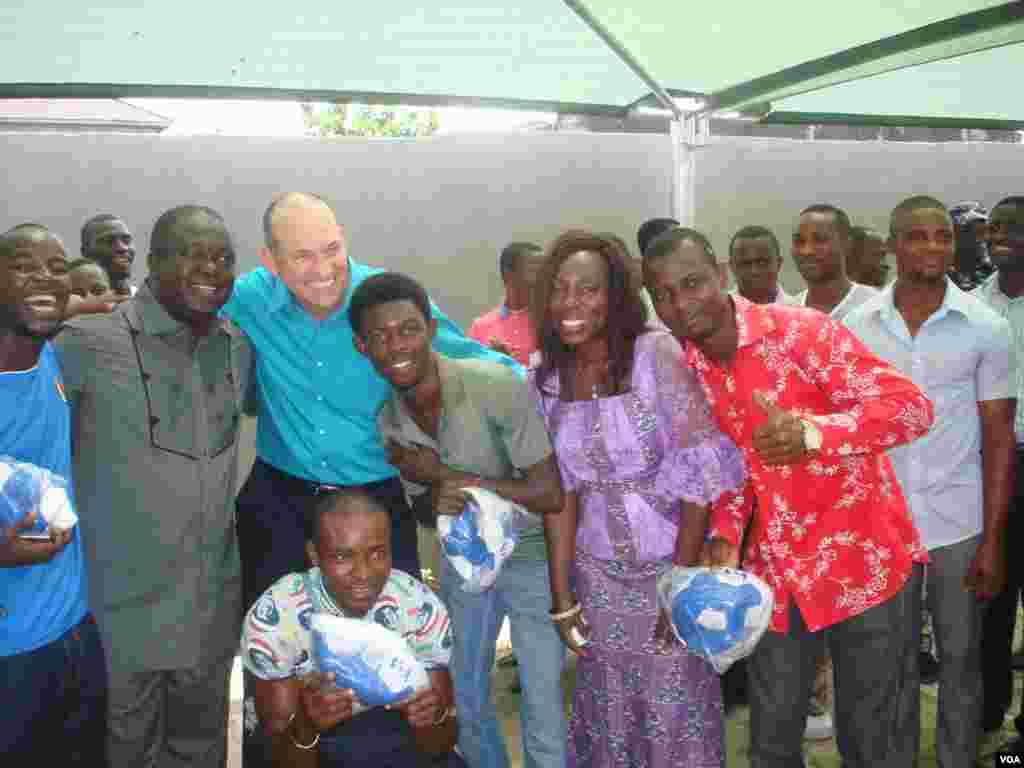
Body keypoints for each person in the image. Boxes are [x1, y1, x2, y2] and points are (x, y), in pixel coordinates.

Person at [224, 192, 517, 765]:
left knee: (396, 655)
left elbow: (467, 356)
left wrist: (542, 380)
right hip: (282, 502)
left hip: (373, 505)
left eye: (332, 248)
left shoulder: (380, 299)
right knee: (277, 658)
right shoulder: (248, 299)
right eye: (303, 256)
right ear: (269, 259)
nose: (324, 268)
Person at [643, 226, 933, 768]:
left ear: (721, 278)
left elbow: (911, 408)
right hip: (774, 576)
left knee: (871, 739)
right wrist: (726, 537)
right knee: (772, 742)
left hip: (862, 562)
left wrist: (815, 433)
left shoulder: (801, 332)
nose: (681, 303)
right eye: (663, 294)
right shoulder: (689, 371)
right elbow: (734, 471)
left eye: (692, 283)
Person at [529, 230, 747, 767]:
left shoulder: (653, 354)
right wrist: (563, 599)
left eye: (589, 290)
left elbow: (700, 478)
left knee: (677, 710)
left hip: (667, 566)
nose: (572, 304)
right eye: (560, 289)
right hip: (596, 575)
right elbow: (561, 496)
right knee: (609, 711)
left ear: (617, 295)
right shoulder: (546, 377)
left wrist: (679, 587)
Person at [55, 206, 252, 767]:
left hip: (208, 606)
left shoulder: (237, 347)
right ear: (153, 261)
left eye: (222, 257)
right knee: (121, 752)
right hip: (118, 612)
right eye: (193, 253)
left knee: (200, 748)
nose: (210, 267)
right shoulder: (87, 343)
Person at [352, 271, 567, 768]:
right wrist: (433, 495)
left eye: (407, 329)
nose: (396, 345)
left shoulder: (493, 385)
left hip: (532, 555)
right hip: (465, 561)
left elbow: (549, 492)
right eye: (380, 336)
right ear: (363, 347)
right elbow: (428, 510)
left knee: (542, 700)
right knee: (463, 693)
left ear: (430, 328)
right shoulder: (389, 421)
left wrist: (444, 475)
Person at [845, 195, 1015, 767]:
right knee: (888, 666)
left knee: (962, 662)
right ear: (893, 246)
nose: (933, 247)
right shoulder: (856, 327)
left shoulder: (986, 328)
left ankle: (956, 759)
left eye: (942, 236)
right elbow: (845, 430)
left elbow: (998, 440)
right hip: (883, 526)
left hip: (959, 523)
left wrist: (993, 540)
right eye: (917, 237)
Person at [242, 488, 460, 768]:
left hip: (391, 735)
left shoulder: (419, 607)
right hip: (305, 746)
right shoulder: (276, 618)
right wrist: (307, 724)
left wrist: (432, 718)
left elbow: (439, 745)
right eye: (343, 557)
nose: (363, 574)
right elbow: (281, 756)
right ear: (314, 555)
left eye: (377, 553)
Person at [0, 223, 107, 764]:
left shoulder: (47, 355)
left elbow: (70, 306)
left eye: (57, 268)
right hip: (9, 657)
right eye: (23, 266)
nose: (44, 279)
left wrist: (102, 302)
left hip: (74, 630)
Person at [975, 196, 1024, 751]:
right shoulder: (972, 305)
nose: (1000, 237)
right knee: (990, 596)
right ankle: (986, 717)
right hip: (992, 466)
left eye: (1014, 228)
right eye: (995, 229)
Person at [793, 204, 878, 321]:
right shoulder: (788, 311)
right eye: (799, 241)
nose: (807, 251)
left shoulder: (875, 307)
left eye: (820, 240)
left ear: (846, 244)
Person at [468, 242, 545, 366]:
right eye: (534, 271)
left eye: (544, 272)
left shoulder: (551, 325)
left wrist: (509, 364)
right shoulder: (480, 327)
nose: (542, 279)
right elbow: (473, 378)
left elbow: (557, 377)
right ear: (509, 275)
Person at [728, 225, 796, 304]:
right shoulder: (718, 312)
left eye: (762, 262)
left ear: (779, 263)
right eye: (745, 263)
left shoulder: (800, 311)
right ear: (731, 266)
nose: (754, 271)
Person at [80, 214, 136, 297]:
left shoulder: (146, 301)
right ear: (85, 252)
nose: (122, 248)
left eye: (126, 240)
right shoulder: (71, 305)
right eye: (109, 241)